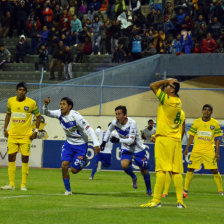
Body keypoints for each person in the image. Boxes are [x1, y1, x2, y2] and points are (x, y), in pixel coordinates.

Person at [140, 78, 186, 208]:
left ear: (172, 90)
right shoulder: (179, 105)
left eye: (167, 86)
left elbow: (152, 85)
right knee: (176, 171)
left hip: (165, 140)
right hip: (175, 141)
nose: (164, 87)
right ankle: (180, 202)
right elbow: (173, 125)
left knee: (161, 170)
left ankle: (156, 200)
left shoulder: (167, 100)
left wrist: (166, 79)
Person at [43, 97, 100, 195]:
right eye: (60, 104)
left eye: (64, 104)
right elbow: (46, 113)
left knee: (73, 170)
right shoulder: (59, 113)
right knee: (64, 166)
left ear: (70, 106)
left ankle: (84, 161)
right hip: (69, 144)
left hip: (81, 145)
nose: (61, 106)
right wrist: (45, 105)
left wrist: (96, 144)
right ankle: (68, 190)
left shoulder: (76, 117)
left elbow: (90, 130)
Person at [101, 105, 152, 196]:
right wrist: (104, 141)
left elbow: (131, 140)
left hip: (137, 148)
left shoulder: (132, 123)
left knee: (144, 170)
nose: (117, 116)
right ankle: (133, 177)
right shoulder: (115, 123)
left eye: (119, 114)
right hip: (126, 148)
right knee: (124, 165)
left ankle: (149, 190)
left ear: (125, 115)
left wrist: (118, 140)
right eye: (116, 114)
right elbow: (109, 130)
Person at [1, 82, 40, 191]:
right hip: (12, 135)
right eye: (20, 90)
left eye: (24, 90)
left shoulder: (31, 103)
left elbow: (38, 116)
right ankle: (11, 184)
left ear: (26, 92)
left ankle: (23, 185)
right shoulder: (10, 101)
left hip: (25, 136)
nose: (21, 92)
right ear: (16, 91)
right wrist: (5, 128)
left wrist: (36, 130)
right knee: (11, 157)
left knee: (25, 158)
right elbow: (8, 114)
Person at [183, 104, 223, 197]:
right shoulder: (196, 122)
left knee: (214, 170)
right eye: (205, 110)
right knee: (190, 168)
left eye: (209, 110)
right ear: (202, 111)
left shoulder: (215, 123)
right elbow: (191, 136)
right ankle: (185, 189)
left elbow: (217, 139)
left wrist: (217, 153)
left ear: (211, 112)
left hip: (209, 151)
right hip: (196, 150)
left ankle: (220, 190)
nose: (206, 111)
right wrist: (187, 148)